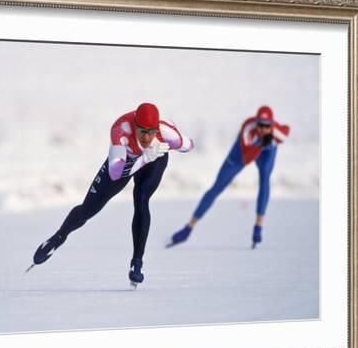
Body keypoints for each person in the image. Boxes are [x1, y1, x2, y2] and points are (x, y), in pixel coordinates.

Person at [30, 103, 194, 286]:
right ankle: (58, 237)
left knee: (141, 199)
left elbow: (188, 145)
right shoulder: (121, 130)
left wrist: (176, 144)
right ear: (134, 127)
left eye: (151, 132)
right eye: (142, 132)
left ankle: (137, 263)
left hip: (155, 160)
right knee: (89, 209)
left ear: (157, 129)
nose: (147, 137)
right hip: (125, 162)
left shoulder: (166, 132)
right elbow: (116, 173)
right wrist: (145, 157)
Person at [168, 105, 290, 249]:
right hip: (244, 152)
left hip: (266, 152)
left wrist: (268, 144)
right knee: (217, 187)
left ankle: (258, 225)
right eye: (260, 125)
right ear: (255, 123)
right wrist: (259, 144)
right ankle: (188, 227)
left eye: (266, 126)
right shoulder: (248, 129)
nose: (263, 129)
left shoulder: (277, 133)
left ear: (272, 125)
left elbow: (287, 130)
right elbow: (246, 159)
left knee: (265, 178)